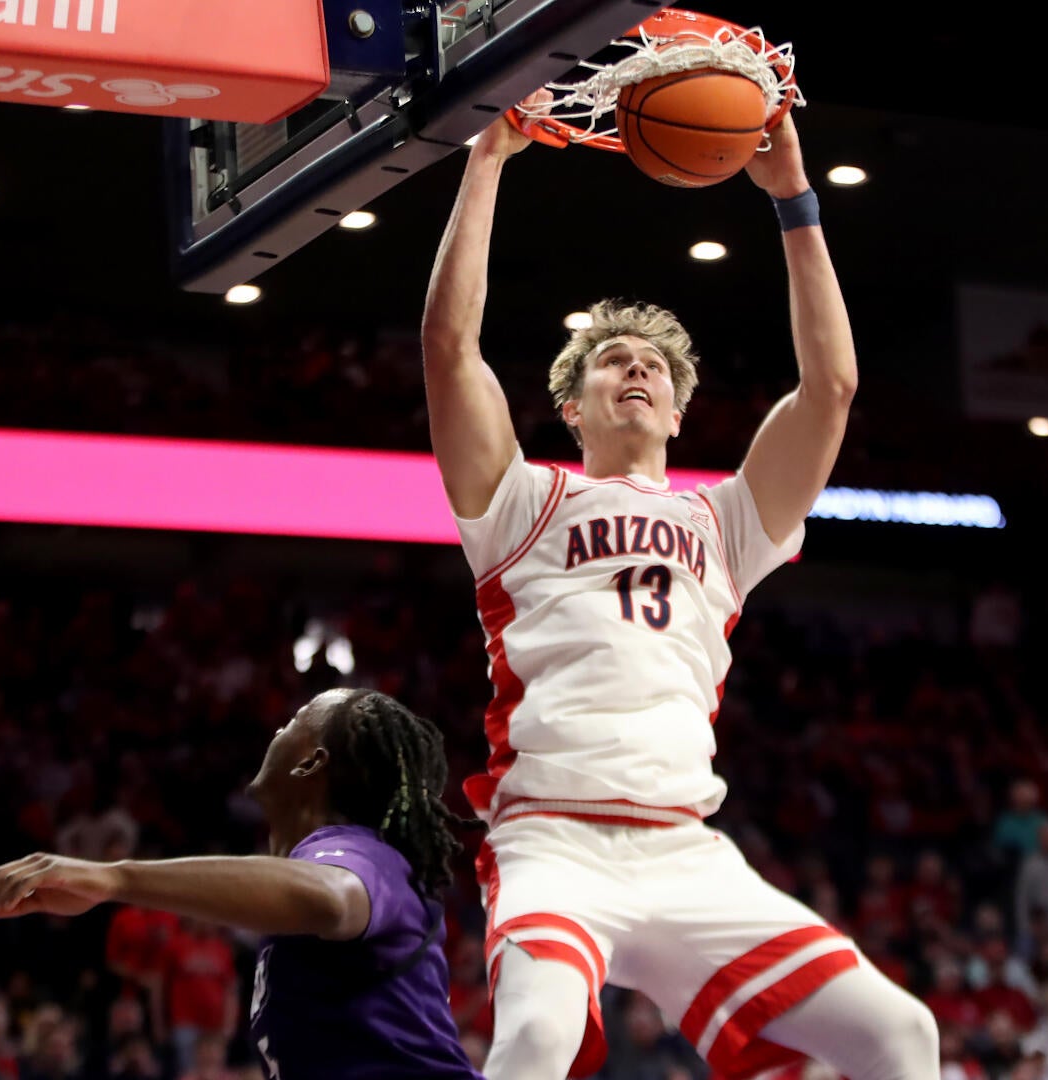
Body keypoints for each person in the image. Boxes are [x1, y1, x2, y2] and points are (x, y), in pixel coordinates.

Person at [420, 94, 940, 1080]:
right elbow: (450, 352)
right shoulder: (522, 497)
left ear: (677, 407)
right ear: (572, 405)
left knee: (900, 1034)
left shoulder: (728, 522)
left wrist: (792, 197)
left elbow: (829, 388)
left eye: (655, 363)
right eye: (613, 359)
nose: (638, 368)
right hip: (554, 838)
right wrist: (483, 164)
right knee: (533, 1037)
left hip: (683, 847)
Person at [0, 689, 481, 1080]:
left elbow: (328, 897)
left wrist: (114, 877)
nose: (279, 728)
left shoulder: (362, 854)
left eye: (295, 721)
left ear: (311, 762)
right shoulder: (327, 868)